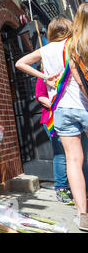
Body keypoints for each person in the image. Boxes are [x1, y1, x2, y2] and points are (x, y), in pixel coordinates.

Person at [15, 15, 88, 231]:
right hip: (83, 105)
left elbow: (20, 63)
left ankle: (83, 215)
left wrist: (43, 76)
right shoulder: (74, 44)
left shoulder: (45, 51)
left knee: (73, 160)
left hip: (61, 111)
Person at [36, 75, 74, 205]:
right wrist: (60, 106)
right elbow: (40, 96)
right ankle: (61, 188)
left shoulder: (71, 71)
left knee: (80, 152)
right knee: (61, 153)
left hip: (74, 117)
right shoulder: (43, 74)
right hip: (52, 117)